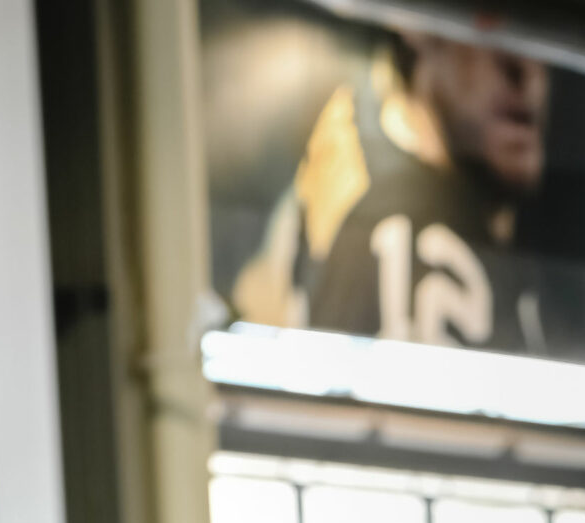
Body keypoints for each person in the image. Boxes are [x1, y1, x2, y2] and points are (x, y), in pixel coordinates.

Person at [231, 35, 558, 356]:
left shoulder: (369, 113)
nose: (526, 72)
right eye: (494, 24)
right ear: (417, 29)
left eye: (549, 19)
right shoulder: (401, 224)